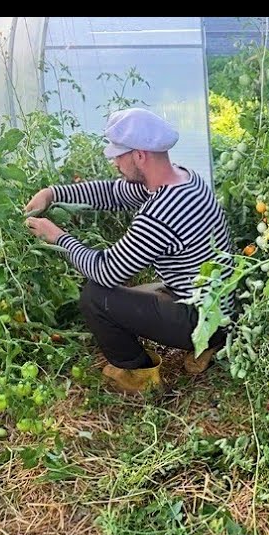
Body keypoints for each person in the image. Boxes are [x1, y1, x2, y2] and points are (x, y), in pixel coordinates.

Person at [23, 107, 236, 394]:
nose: (114, 163)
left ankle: (139, 374)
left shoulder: (163, 211)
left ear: (139, 155)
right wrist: (54, 193)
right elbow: (112, 193)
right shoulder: (183, 179)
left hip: (199, 315)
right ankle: (212, 341)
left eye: (118, 156)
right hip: (214, 302)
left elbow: (106, 271)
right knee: (131, 293)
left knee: (96, 297)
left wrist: (59, 237)